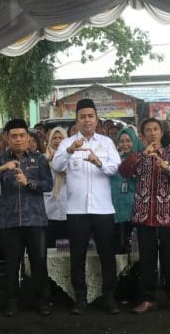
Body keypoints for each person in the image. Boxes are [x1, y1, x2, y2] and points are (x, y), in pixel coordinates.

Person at [51, 98, 122, 315]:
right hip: (77, 210)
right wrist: (70, 150)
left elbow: (115, 167)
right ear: (77, 120)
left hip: (103, 209)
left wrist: (98, 162)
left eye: (91, 116)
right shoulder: (68, 143)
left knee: (107, 255)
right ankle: (80, 298)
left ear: (97, 119)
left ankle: (109, 297)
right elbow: (56, 165)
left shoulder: (106, 143)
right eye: (82, 117)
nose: (87, 120)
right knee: (77, 256)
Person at [120, 118, 170, 314]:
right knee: (147, 259)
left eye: (156, 129)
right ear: (142, 135)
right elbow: (124, 171)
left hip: (167, 214)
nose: (152, 133)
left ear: (161, 132)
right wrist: (142, 155)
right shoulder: (138, 155)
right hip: (144, 215)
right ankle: (147, 299)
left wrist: (167, 167)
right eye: (148, 130)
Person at [0, 118, 53, 317]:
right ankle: (11, 302)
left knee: (39, 263)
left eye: (22, 135)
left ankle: (43, 301)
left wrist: (28, 182)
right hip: (10, 220)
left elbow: (48, 185)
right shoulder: (1, 160)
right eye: (14, 136)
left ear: (28, 137)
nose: (18, 139)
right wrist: (2, 169)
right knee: (11, 264)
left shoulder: (39, 159)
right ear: (7, 138)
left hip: (35, 220)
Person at [110, 127, 141, 253]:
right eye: (121, 141)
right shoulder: (113, 159)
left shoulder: (140, 158)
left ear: (134, 141)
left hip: (135, 207)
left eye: (128, 141)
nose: (125, 144)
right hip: (116, 207)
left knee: (134, 245)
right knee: (118, 244)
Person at [44, 126, 69, 248]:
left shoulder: (72, 158)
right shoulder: (43, 159)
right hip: (48, 206)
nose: (57, 140)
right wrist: (47, 162)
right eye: (54, 138)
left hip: (67, 206)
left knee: (66, 246)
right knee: (49, 245)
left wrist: (59, 163)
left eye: (60, 137)